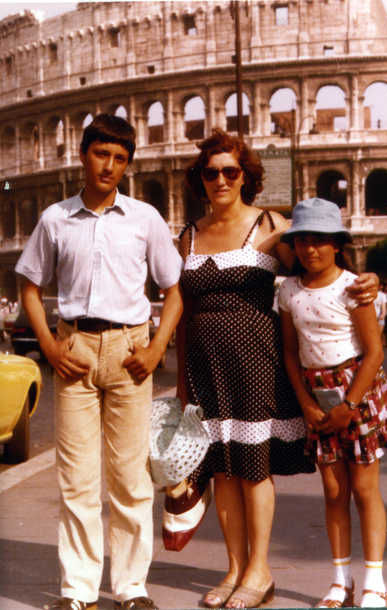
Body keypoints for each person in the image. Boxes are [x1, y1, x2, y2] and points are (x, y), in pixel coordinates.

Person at [176, 129, 379, 610]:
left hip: (255, 361)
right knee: (220, 468)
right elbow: (182, 311)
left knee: (252, 466)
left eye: (230, 171)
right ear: (199, 178)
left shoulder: (270, 225)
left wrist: (364, 280)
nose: (221, 180)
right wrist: (181, 380)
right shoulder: (187, 235)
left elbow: (317, 270)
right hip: (206, 365)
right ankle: (233, 568)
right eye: (211, 172)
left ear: (244, 176)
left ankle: (259, 570)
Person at [15, 114, 183, 610]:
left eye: (119, 158)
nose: (109, 166)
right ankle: (79, 590)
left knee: (131, 478)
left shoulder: (145, 219)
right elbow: (30, 286)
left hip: (130, 352)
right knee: (77, 478)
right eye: (101, 154)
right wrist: (49, 347)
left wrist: (156, 348)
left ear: (128, 165)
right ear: (83, 156)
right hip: (76, 351)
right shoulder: (56, 219)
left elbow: (174, 290)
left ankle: (131, 588)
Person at [279, 198, 387, 608]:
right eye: (302, 240)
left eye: (320, 240)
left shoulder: (353, 287)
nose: (310, 249)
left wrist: (349, 405)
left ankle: (374, 580)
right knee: (333, 491)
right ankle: (341, 581)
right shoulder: (288, 290)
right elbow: (290, 353)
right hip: (316, 395)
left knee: (365, 489)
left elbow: (374, 351)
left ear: (337, 244)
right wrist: (306, 404)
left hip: (358, 390)